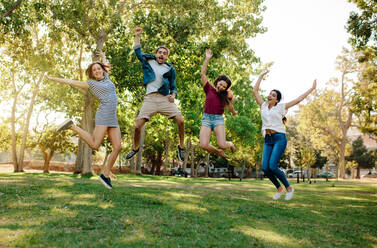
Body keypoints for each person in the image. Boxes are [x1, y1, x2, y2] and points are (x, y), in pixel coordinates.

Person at [46, 52, 121, 190]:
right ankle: (72, 126)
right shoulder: (92, 84)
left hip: (113, 117)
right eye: (94, 70)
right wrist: (53, 78)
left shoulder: (107, 79)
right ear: (92, 74)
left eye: (99, 68)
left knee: (118, 147)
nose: (97, 71)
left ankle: (105, 173)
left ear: (103, 70)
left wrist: (104, 56)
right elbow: (71, 82)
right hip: (104, 115)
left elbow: (107, 67)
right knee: (94, 144)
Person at [253, 70, 316, 200]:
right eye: (270, 94)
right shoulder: (263, 106)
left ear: (277, 100)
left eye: (273, 95)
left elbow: (299, 99)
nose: (270, 96)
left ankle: (289, 188)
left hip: (279, 138)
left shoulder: (281, 107)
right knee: (265, 168)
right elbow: (255, 91)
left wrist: (312, 88)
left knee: (272, 166)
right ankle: (279, 189)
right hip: (268, 139)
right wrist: (260, 76)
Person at [125, 27, 185, 161]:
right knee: (136, 126)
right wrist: (137, 36)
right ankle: (135, 148)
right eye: (160, 52)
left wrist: (173, 95)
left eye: (164, 53)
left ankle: (181, 147)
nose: (162, 55)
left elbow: (173, 87)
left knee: (181, 121)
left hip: (164, 99)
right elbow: (137, 51)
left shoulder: (170, 69)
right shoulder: (148, 61)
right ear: (156, 53)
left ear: (167, 56)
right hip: (150, 99)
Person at [199, 49, 237, 158]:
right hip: (206, 118)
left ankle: (230, 144)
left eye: (224, 87)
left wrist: (234, 112)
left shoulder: (225, 96)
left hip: (218, 119)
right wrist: (207, 58)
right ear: (217, 82)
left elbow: (230, 106)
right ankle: (219, 152)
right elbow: (203, 73)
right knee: (203, 145)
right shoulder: (209, 88)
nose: (221, 87)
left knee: (222, 144)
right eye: (220, 84)